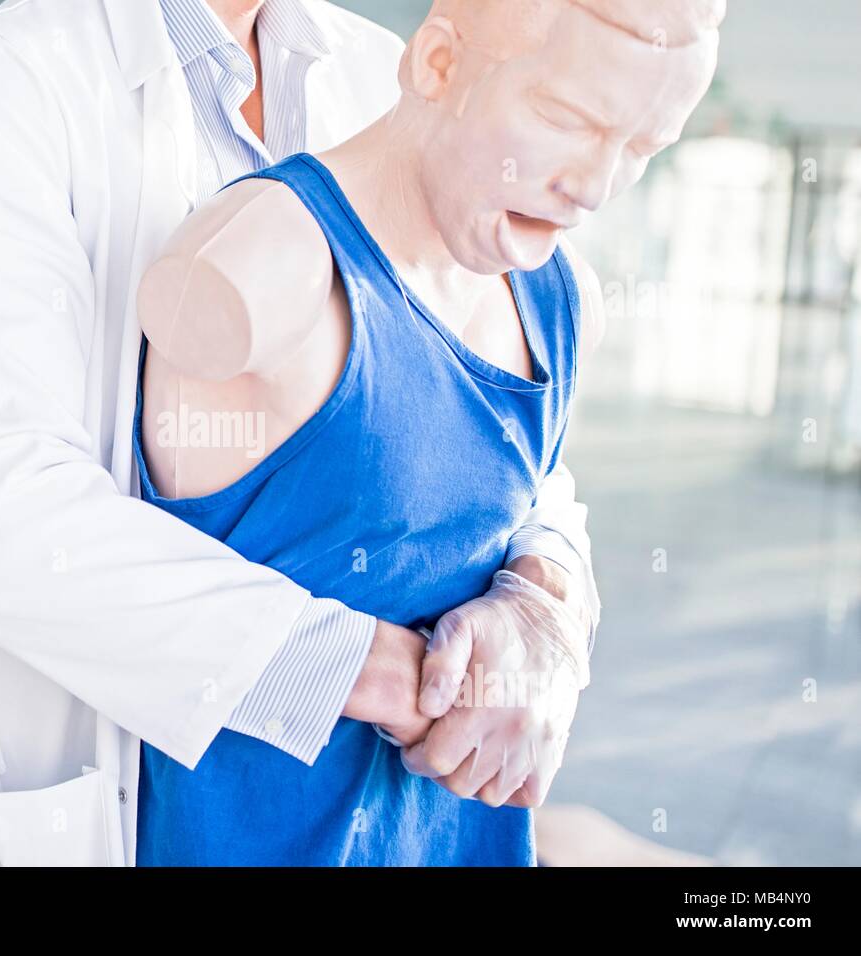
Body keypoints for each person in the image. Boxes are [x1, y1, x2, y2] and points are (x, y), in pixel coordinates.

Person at [0, 0, 601, 866]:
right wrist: (368, 673)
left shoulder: (383, 72)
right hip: (144, 809)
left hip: (414, 821)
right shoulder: (1, 84)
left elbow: (497, 419)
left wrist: (542, 597)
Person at [132, 0, 724, 864]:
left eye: (640, 149)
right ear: (439, 65)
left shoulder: (561, 303)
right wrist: (420, 685)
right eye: (567, 120)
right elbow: (33, 530)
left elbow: (537, 505)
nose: (596, 188)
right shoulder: (259, 272)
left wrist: (544, 604)